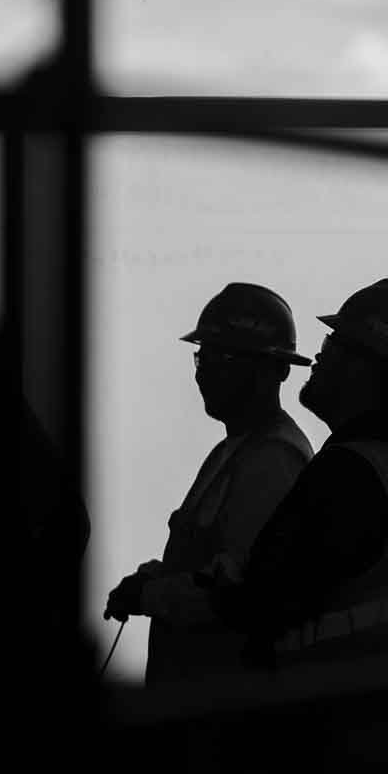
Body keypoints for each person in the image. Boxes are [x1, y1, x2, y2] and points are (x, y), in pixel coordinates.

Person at [214, 277, 388, 681]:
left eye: (332, 346)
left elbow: (263, 602)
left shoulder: (347, 475)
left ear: (364, 369)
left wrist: (206, 587)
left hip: (340, 719)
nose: (318, 358)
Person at [104, 282, 313, 685]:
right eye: (204, 357)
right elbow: (207, 565)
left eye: (226, 358)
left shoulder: (273, 460)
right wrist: (155, 578)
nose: (207, 371)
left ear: (275, 370)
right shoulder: (234, 451)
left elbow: (237, 593)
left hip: (226, 709)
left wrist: (150, 595)